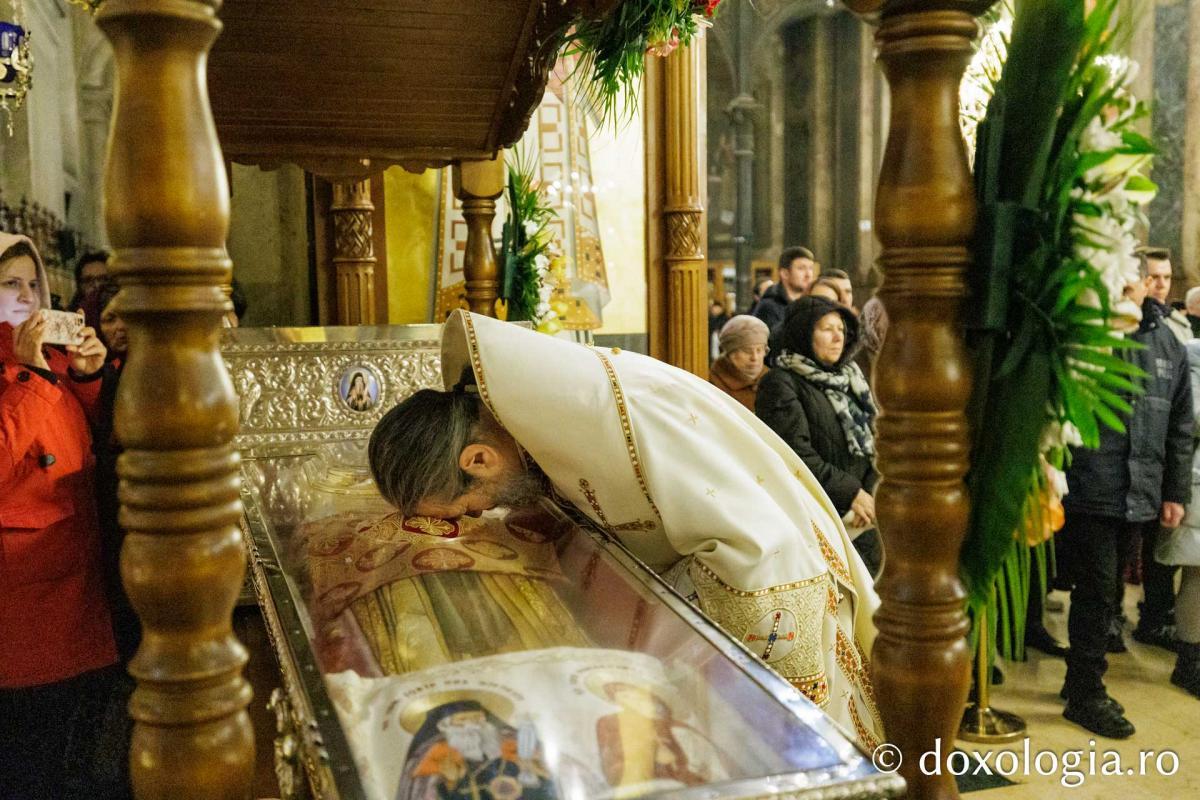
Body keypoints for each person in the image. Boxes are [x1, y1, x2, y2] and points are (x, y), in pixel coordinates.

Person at [368, 310, 883, 749]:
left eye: (467, 506)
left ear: (478, 459)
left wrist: (640, 639)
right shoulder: (545, 425)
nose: (481, 516)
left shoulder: (627, 418)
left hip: (789, 608)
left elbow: (761, 551)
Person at [0, 232, 121, 799]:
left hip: (75, 581)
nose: (27, 296)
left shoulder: (49, 360)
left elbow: (83, 438)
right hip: (23, 600)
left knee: (71, 751)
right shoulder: (34, 368)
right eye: (10, 283)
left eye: (33, 282)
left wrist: (89, 376)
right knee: (27, 761)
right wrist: (32, 376)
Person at [1059, 264, 1193, 739]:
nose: (1134, 289)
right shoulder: (1089, 336)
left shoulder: (1168, 344)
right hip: (1092, 484)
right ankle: (1086, 692)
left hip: (1140, 490)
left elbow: (1179, 425)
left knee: (1109, 592)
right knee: (1096, 592)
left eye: (1135, 283)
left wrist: (1175, 492)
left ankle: (1081, 678)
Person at [756, 296, 882, 577]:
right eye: (827, 329)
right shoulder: (780, 383)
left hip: (864, 517)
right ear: (804, 333)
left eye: (841, 329)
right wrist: (851, 493)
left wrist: (871, 493)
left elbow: (875, 441)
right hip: (817, 521)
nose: (838, 337)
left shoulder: (851, 378)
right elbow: (793, 455)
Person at [1155, 337, 1200, 699]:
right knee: (1198, 573)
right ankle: (1189, 662)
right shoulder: (1193, 352)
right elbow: (1190, 416)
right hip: (1196, 479)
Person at [708, 315, 769, 412]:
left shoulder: (773, 380)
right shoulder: (712, 383)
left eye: (759, 350)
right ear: (731, 353)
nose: (755, 357)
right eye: (747, 351)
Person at [752, 246, 815, 332]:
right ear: (785, 274)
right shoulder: (768, 307)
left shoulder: (811, 303)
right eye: (801, 268)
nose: (808, 275)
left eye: (811, 268)